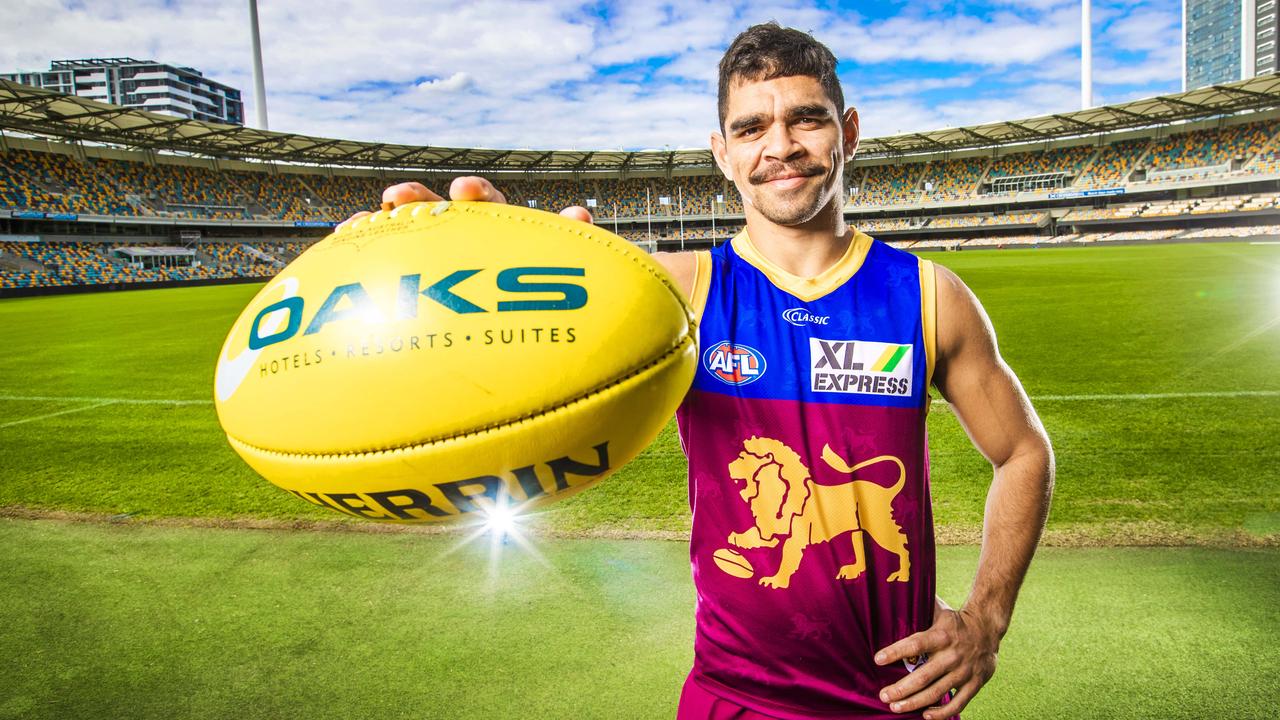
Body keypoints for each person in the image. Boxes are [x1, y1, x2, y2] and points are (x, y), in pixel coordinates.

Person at [349, 22, 1053, 720]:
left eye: (806, 119)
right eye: (751, 128)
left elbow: (1022, 451)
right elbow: (515, 334)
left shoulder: (929, 297)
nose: (780, 146)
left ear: (850, 131)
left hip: (898, 701)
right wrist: (454, 263)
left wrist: (987, 618)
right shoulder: (673, 292)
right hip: (732, 700)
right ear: (721, 152)